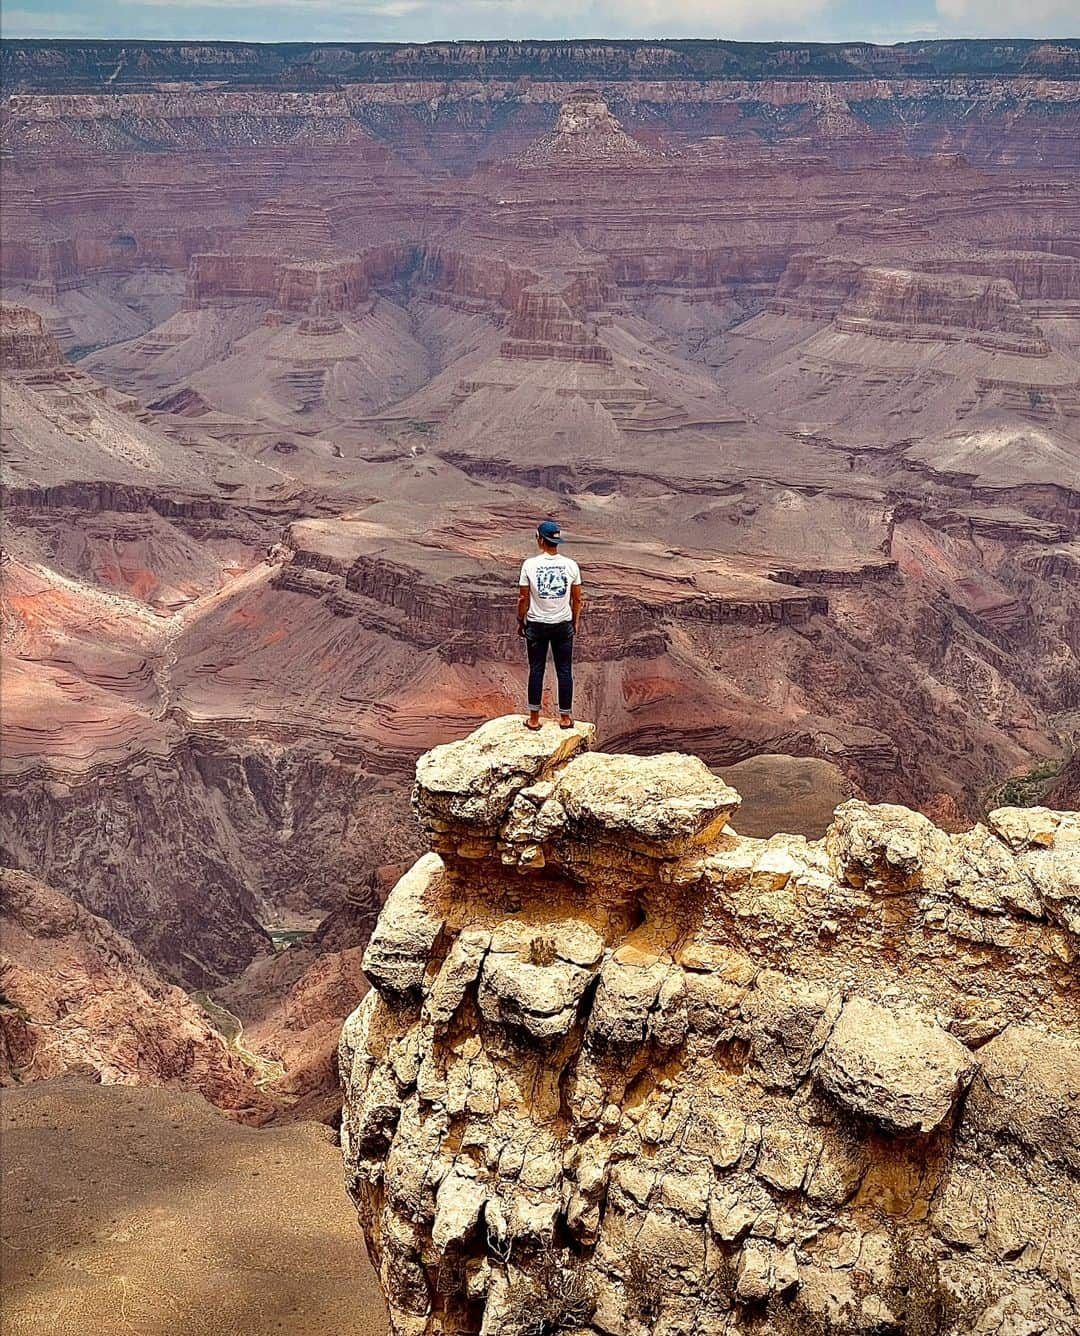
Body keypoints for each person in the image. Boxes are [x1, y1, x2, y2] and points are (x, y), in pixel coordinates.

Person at [517, 520, 583, 730]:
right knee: (564, 670)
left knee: (536, 670)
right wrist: (575, 623)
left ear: (540, 540)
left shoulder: (529, 565)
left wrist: (521, 621)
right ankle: (565, 718)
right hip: (563, 624)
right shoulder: (571, 565)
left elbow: (522, 598)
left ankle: (534, 719)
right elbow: (577, 599)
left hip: (536, 625)